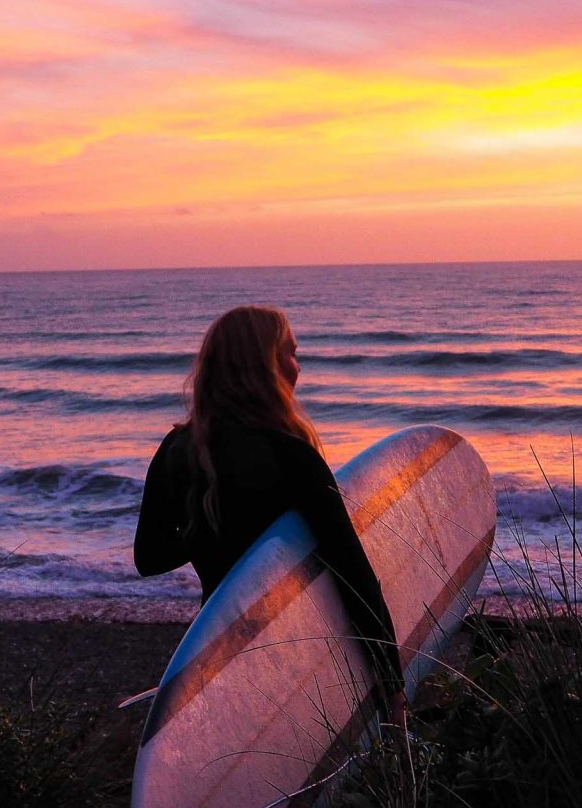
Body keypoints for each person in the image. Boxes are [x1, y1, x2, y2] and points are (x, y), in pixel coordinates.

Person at [133, 305, 406, 714]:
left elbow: (149, 558)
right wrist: (391, 684)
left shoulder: (176, 450)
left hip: (216, 649)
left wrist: (208, 532)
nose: (298, 368)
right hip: (295, 649)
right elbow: (353, 577)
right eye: (291, 354)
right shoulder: (290, 455)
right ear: (264, 366)